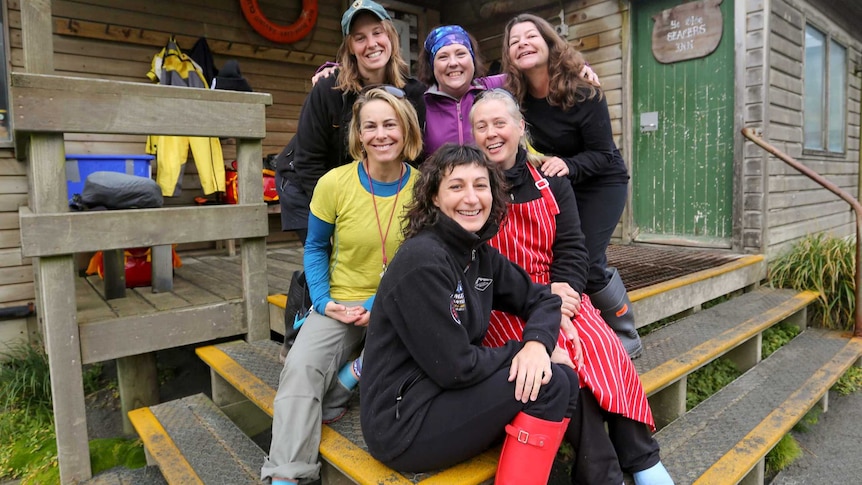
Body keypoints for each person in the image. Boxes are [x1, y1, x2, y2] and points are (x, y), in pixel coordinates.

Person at [471, 89, 673, 485]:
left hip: (558, 294)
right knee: (562, 358)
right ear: (472, 134)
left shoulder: (550, 181)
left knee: (601, 344)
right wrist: (540, 308)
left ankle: (643, 459)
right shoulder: (471, 187)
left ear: (520, 127)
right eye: (481, 126)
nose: (492, 133)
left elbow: (573, 248)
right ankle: (604, 474)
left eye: (500, 123)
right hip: (504, 306)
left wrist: (565, 293)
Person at [360, 144, 578, 484]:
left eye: (480, 185)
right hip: (404, 423)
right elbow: (456, 367)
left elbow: (543, 299)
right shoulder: (423, 261)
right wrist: (523, 352)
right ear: (434, 197)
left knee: (560, 378)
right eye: (456, 186)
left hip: (444, 395)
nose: (471, 198)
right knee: (548, 382)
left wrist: (537, 344)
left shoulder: (476, 252)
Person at [261, 86, 423, 485]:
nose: (381, 134)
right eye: (370, 126)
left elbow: (424, 264)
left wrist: (378, 302)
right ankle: (287, 474)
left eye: (390, 124)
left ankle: (350, 378)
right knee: (300, 368)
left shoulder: (424, 188)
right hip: (342, 303)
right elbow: (315, 247)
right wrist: (323, 300)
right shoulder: (334, 183)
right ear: (358, 135)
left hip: (400, 303)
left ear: (406, 130)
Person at [501, 13, 643, 359]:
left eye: (530, 36)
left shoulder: (583, 89)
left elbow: (604, 154)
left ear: (549, 43)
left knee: (590, 260)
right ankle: (577, 327)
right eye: (514, 41)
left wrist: (568, 164)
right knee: (564, 255)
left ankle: (626, 332)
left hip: (602, 180)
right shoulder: (515, 94)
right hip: (564, 180)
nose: (523, 44)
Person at [275, 0, 426, 244]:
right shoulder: (327, 89)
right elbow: (308, 160)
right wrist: (339, 213)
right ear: (351, 48)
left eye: (377, 33)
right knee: (328, 255)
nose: (372, 44)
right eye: (360, 38)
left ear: (391, 37)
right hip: (309, 184)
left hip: (375, 189)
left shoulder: (414, 93)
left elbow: (415, 155)